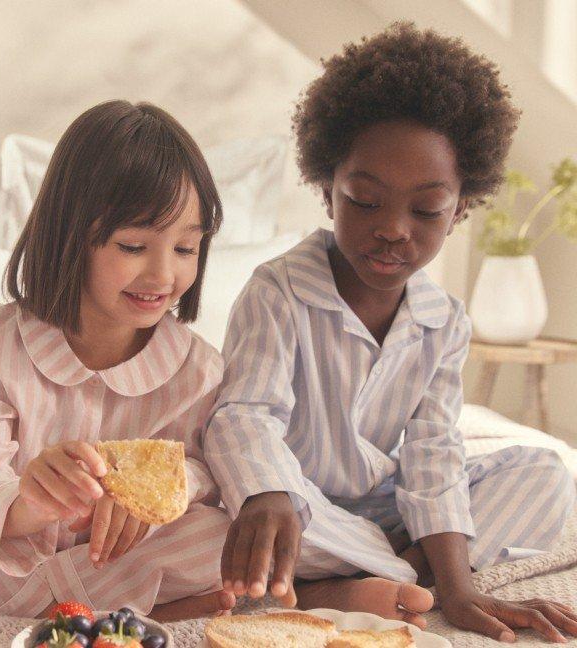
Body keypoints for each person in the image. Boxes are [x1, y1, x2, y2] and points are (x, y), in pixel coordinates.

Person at [205, 22, 577, 641]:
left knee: (546, 473)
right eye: (365, 199)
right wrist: (266, 492)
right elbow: (244, 415)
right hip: (296, 502)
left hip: (382, 506)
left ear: (459, 210)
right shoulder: (279, 291)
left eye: (426, 210)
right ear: (328, 191)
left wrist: (459, 593)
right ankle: (350, 577)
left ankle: (390, 569)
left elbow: (433, 453)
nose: (394, 229)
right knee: (236, 521)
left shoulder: (445, 322)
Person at [0, 100, 236, 621]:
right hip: (10, 548)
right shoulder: (7, 337)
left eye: (186, 249)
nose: (163, 275)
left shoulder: (198, 370)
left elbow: (207, 471)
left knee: (225, 535)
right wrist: (27, 501)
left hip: (121, 555)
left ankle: (29, 606)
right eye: (135, 245)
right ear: (72, 234)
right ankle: (117, 610)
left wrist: (157, 492)